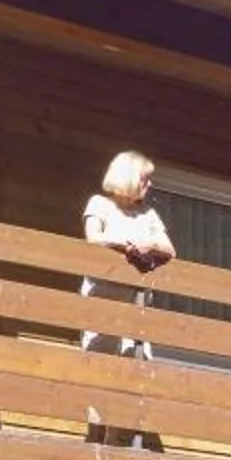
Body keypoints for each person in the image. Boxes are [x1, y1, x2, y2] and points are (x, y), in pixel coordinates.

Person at [80, 151, 177, 353]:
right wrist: (127, 245)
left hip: (138, 304)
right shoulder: (100, 204)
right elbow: (93, 238)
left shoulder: (147, 214)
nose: (149, 184)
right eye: (145, 179)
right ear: (128, 177)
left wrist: (149, 245)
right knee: (99, 362)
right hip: (102, 299)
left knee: (137, 362)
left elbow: (170, 250)